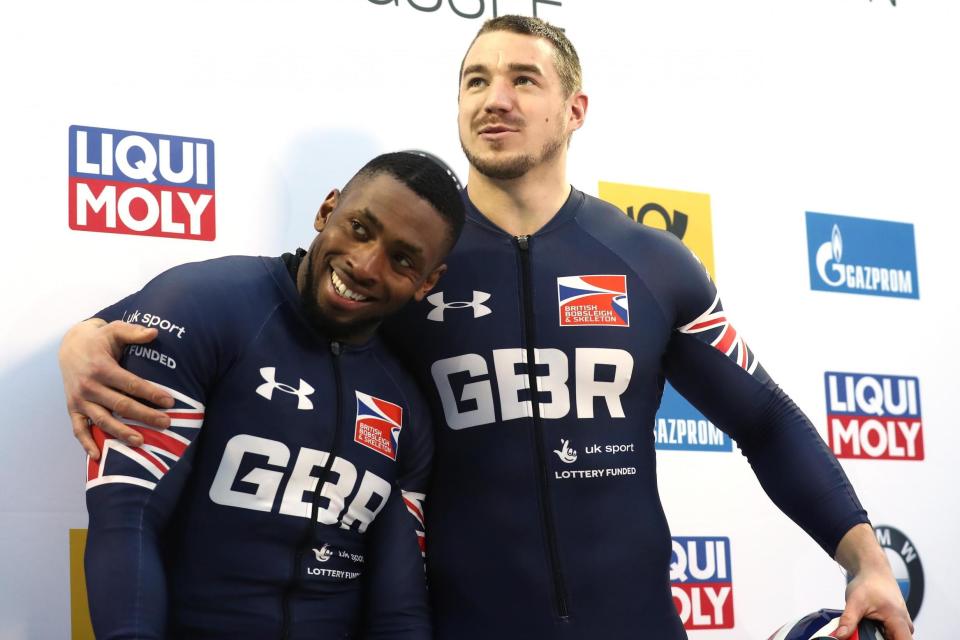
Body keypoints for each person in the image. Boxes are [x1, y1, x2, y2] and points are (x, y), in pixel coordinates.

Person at [61, 16, 914, 640]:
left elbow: (763, 417)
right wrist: (91, 334)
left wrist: (867, 558)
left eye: (522, 79)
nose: (494, 99)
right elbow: (280, 316)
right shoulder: (405, 260)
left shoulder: (656, 266)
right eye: (475, 80)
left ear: (575, 108)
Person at [73, 151, 465, 639]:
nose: (365, 265)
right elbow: (128, 517)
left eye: (402, 259)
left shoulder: (405, 401)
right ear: (327, 210)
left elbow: (399, 610)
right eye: (360, 229)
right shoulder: (202, 305)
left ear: (427, 282)